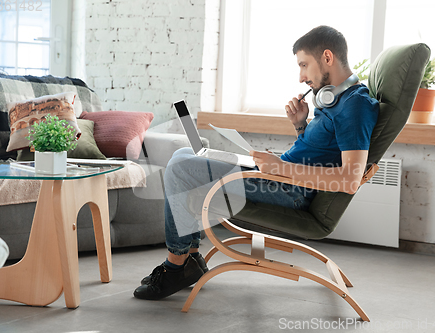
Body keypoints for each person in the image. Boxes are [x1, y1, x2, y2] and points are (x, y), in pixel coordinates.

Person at [133, 25, 379, 301]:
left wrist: (280, 168)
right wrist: (301, 126)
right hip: (280, 177)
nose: (300, 77)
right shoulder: (336, 100)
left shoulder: (355, 106)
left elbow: (349, 180)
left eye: (304, 65)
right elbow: (323, 152)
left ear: (327, 57)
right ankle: (190, 256)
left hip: (289, 189)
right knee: (181, 157)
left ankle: (176, 265)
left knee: (181, 168)